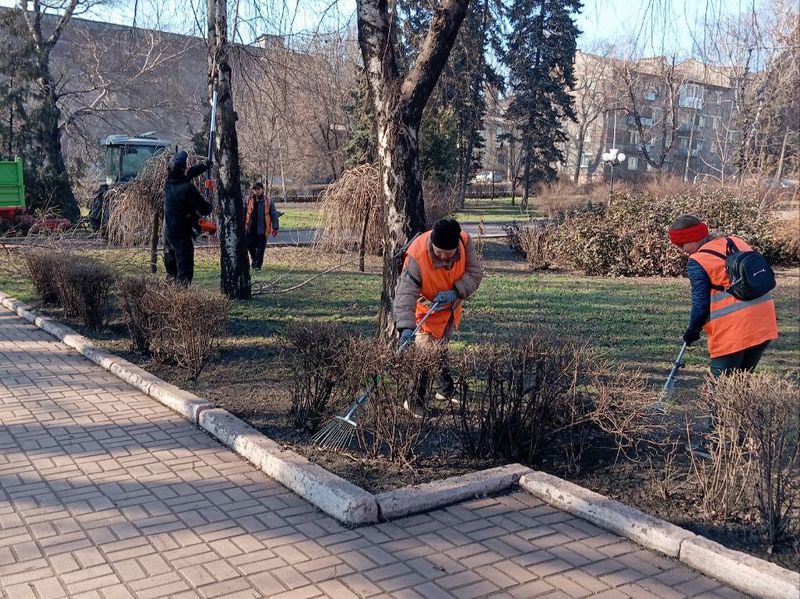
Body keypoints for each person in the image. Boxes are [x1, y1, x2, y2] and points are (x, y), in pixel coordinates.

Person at [393, 217, 484, 416]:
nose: (443, 256)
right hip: (424, 310)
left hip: (449, 308)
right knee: (425, 355)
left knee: (440, 348)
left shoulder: (464, 242)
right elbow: (405, 294)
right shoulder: (416, 255)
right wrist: (405, 328)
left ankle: (444, 389)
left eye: (448, 253)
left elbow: (475, 274)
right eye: (438, 252)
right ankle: (414, 400)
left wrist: (456, 291)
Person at [668, 214, 778, 377]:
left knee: (721, 387)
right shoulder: (735, 241)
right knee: (741, 382)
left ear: (693, 240)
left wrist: (693, 330)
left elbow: (700, 304)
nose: (681, 250)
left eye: (681, 245)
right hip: (764, 319)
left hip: (733, 329)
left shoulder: (697, 260)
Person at [163, 151, 212, 285]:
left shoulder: (168, 183)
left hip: (167, 235)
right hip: (181, 235)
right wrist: (210, 198)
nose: (189, 168)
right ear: (183, 168)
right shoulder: (187, 189)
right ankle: (180, 302)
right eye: (187, 166)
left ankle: (167, 300)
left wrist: (204, 167)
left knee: (171, 273)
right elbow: (205, 208)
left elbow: (188, 174)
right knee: (184, 273)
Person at [244, 182, 279, 270]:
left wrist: (275, 228)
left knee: (261, 250)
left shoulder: (268, 200)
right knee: (249, 245)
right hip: (250, 229)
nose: (256, 191)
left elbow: (273, 214)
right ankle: (254, 259)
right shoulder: (248, 199)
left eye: (258, 189)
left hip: (263, 229)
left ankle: (258, 266)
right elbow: (244, 212)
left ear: (262, 189)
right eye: (255, 189)